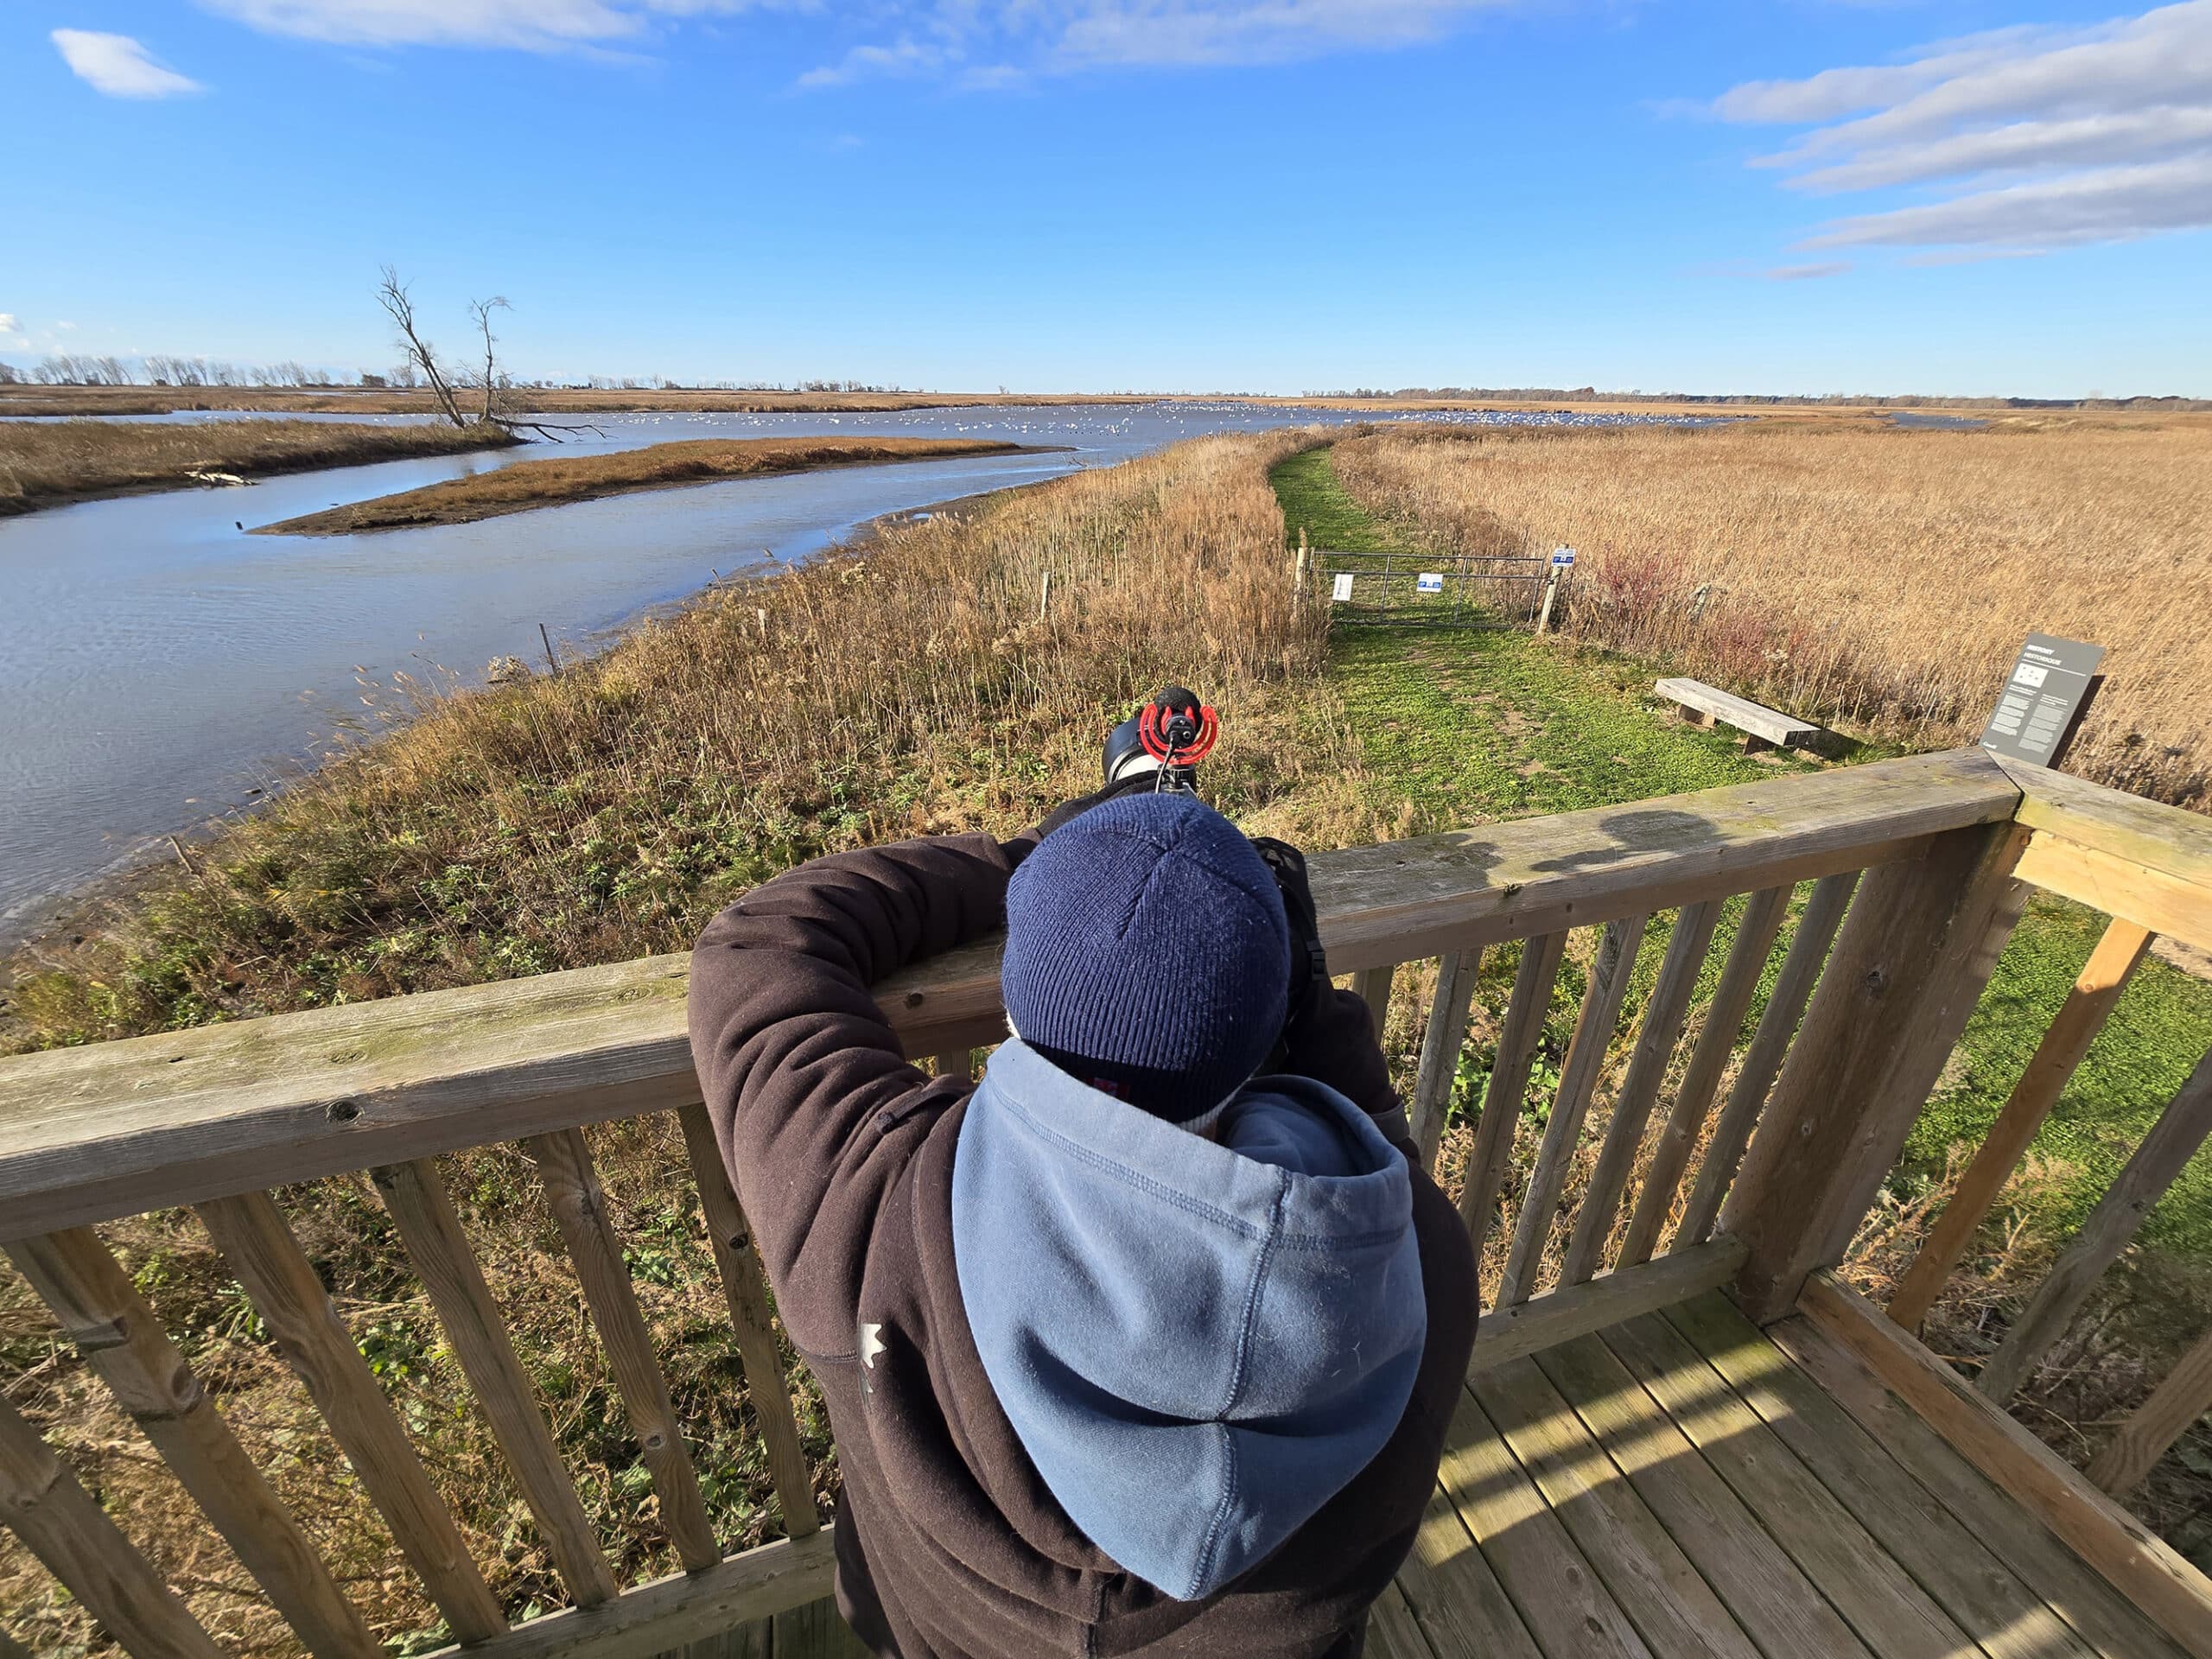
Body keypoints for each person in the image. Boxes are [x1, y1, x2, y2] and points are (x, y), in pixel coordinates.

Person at [688, 765, 1478, 1659]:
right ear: (1260, 1047)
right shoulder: (1417, 1273)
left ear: (1014, 1010)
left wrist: (1035, 858)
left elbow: (757, 946)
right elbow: (1381, 1166)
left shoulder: (865, 1198)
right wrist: (1314, 1005)